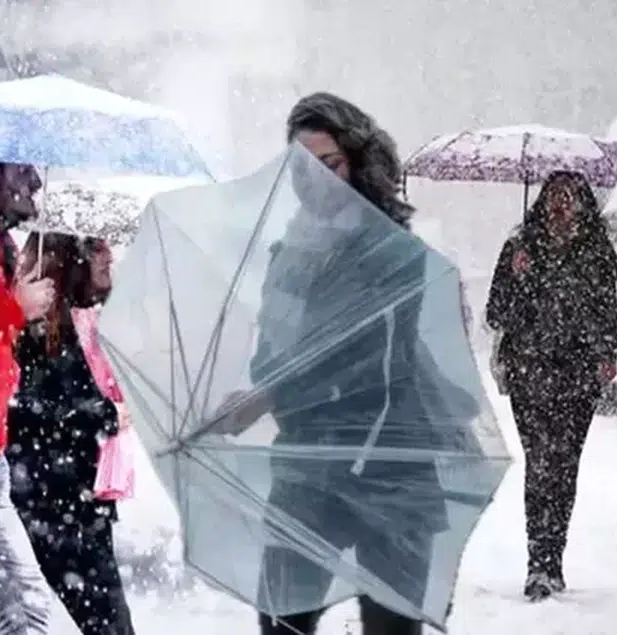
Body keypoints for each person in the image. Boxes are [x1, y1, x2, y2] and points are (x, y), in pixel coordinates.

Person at [218, 93, 478, 635]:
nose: (313, 179)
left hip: (395, 469)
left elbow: (371, 360)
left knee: (391, 627)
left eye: (328, 163)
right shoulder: (286, 255)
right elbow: (274, 353)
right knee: (282, 620)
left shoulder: (400, 257)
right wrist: (253, 394)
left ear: (359, 161)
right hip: (310, 464)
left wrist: (272, 393)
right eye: (300, 167)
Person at [486, 171, 617, 601]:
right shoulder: (520, 249)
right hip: (529, 371)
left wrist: (605, 354)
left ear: (583, 205)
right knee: (540, 462)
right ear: (543, 202)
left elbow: (607, 314)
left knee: (564, 466)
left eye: (571, 198)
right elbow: (496, 313)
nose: (561, 205)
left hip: (577, 377)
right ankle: (537, 563)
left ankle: (554, 556)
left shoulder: (595, 254)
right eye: (555, 197)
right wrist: (519, 277)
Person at [3, 232, 135, 635]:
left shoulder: (81, 321)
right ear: (69, 262)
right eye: (96, 250)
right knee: (106, 622)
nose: (107, 257)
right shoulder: (36, 329)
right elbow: (28, 406)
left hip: (75, 495)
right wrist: (104, 414)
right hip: (52, 497)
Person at [0, 161, 53, 635]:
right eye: (22, 168)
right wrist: (14, 309)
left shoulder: (0, 242)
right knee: (25, 610)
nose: (35, 180)